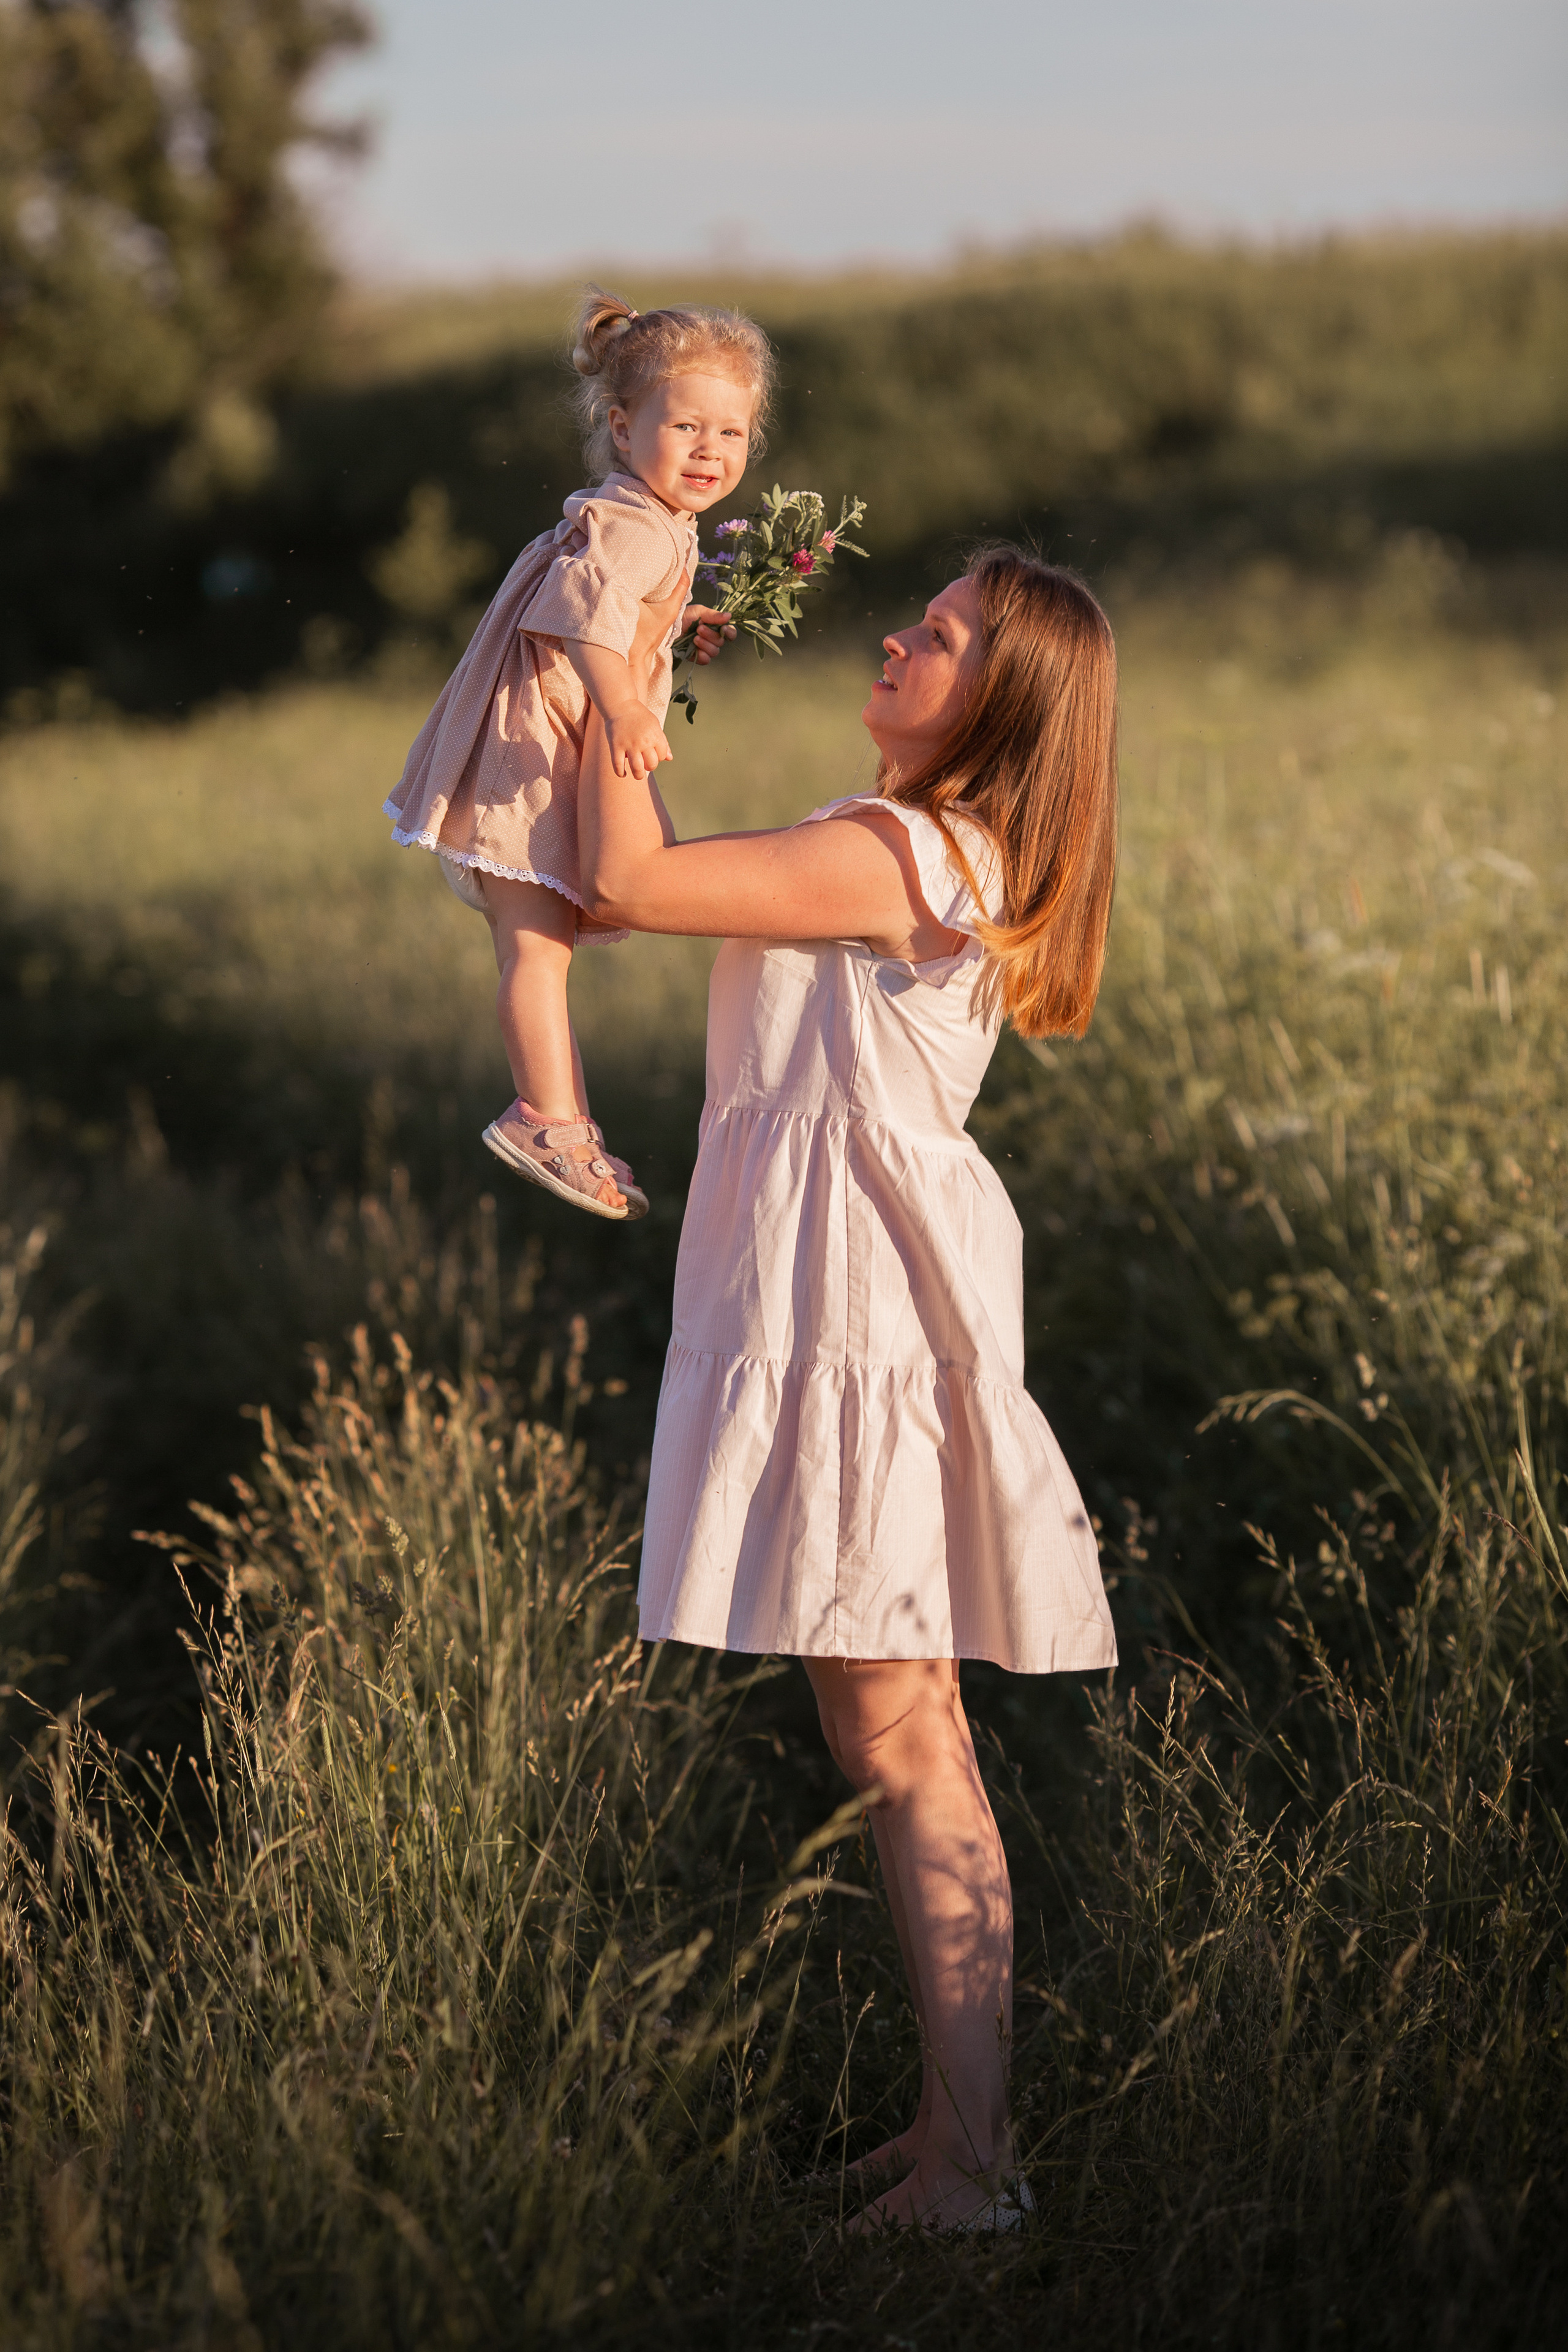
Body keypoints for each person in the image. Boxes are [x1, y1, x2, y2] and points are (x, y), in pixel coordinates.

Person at [576, 546, 1122, 2232]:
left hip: (859, 1312)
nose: (899, 634)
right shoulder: (901, 836)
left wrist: (610, 661)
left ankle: (971, 2168)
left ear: (999, 701)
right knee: (895, 1727)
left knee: (904, 1740)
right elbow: (623, 888)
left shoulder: (901, 851)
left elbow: (634, 886)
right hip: (844, 1292)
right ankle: (956, 2134)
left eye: (940, 635)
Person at [382, 288, 766, 1219]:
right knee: (536, 950)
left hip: (530, 741)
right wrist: (629, 708)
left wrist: (680, 622)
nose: (711, 451)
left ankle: (566, 1123)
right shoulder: (637, 525)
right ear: (625, 427)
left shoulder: (647, 518)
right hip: (530, 751)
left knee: (541, 944)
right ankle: (548, 1123)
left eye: (733, 431)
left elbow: (620, 610)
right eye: (687, 427)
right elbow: (582, 620)